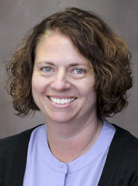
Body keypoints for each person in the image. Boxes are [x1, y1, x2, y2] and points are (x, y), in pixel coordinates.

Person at [0, 7, 138, 186]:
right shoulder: (3, 158)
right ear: (29, 74)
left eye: (78, 70)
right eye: (47, 69)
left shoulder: (133, 165)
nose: (59, 84)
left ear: (103, 78)